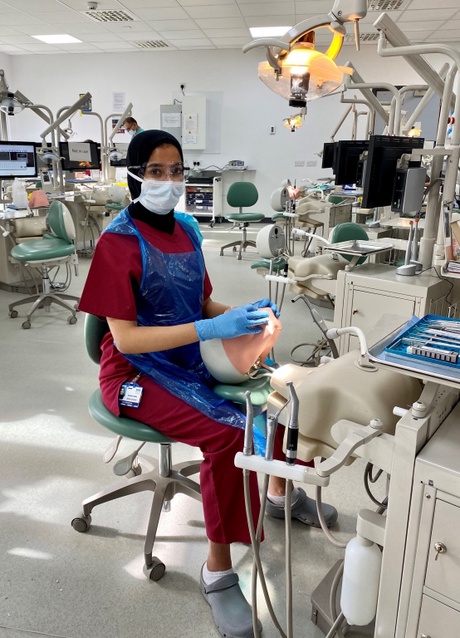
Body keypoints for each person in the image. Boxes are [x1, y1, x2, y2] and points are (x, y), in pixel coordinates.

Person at [78, 130, 337, 638]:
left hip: (188, 357)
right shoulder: (117, 242)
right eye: (156, 171)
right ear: (134, 176)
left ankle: (281, 493)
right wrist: (211, 329)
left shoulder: (188, 230)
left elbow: (202, 304)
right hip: (136, 372)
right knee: (226, 433)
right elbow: (126, 339)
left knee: (279, 395)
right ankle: (217, 573)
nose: (169, 180)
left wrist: (243, 317)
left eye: (176, 170)